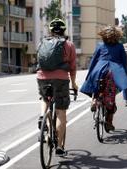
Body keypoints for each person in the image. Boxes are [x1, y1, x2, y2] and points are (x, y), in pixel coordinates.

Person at [36, 18, 78, 156]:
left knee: (44, 98)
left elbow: (39, 60)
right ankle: (59, 147)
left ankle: (43, 116)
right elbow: (72, 67)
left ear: (51, 31)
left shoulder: (42, 42)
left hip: (42, 77)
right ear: (64, 30)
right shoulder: (69, 45)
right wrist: (73, 83)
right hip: (61, 79)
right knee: (61, 112)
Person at [80, 25, 127, 131]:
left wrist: (89, 74)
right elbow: (124, 62)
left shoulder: (100, 45)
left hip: (99, 69)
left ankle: (94, 100)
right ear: (117, 36)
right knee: (111, 96)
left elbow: (93, 61)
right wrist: (124, 75)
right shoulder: (120, 46)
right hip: (113, 72)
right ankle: (109, 121)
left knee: (96, 86)